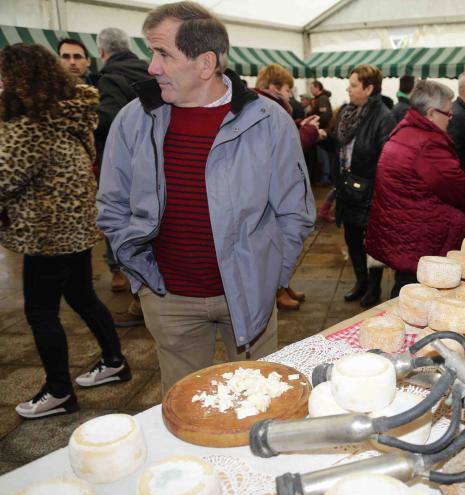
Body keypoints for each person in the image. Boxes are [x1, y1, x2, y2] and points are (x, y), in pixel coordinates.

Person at [96, 1, 315, 394]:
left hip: (251, 297)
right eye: (152, 53)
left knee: (259, 403)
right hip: (168, 299)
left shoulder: (268, 121)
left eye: (163, 53)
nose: (151, 67)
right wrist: (141, 279)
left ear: (205, 63)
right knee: (182, 408)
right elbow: (111, 203)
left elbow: (294, 212)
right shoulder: (134, 119)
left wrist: (272, 278)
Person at [0, 44, 131, 419]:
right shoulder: (70, 112)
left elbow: (5, 176)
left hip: (44, 232)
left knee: (41, 313)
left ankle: (58, 390)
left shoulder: (30, 122)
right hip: (74, 227)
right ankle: (115, 361)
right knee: (83, 297)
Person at [365, 80, 465, 297]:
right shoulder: (428, 144)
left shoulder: (404, 131)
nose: (451, 118)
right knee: (417, 296)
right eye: (448, 113)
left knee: (405, 290)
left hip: (403, 233)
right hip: (422, 239)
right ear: (430, 113)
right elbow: (460, 189)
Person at [254, 63, 322, 311]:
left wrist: (302, 125)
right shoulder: (265, 109)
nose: (291, 94)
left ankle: (282, 284)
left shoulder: (265, 107)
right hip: (272, 192)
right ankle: (276, 289)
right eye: (288, 89)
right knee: (279, 239)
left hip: (272, 188)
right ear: (273, 88)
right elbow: (286, 151)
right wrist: (310, 132)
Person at [93, 27, 153, 302]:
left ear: (102, 52)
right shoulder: (149, 70)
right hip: (155, 161)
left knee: (120, 220)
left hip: (124, 166)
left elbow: (109, 120)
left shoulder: (109, 79)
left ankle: (134, 282)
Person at [333, 64, 396, 307]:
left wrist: (375, 193)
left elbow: (385, 162)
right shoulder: (347, 113)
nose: (348, 89)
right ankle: (360, 282)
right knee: (352, 240)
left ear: (369, 88)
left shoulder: (384, 118)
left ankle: (373, 287)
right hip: (347, 191)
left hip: (369, 194)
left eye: (353, 84)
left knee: (372, 244)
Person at [310, 80, 333, 185]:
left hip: (322, 131)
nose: (310, 90)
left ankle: (325, 177)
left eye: (312, 88)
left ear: (317, 87)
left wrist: (318, 126)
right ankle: (324, 176)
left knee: (322, 154)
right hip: (320, 130)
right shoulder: (319, 99)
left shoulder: (322, 99)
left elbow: (325, 115)